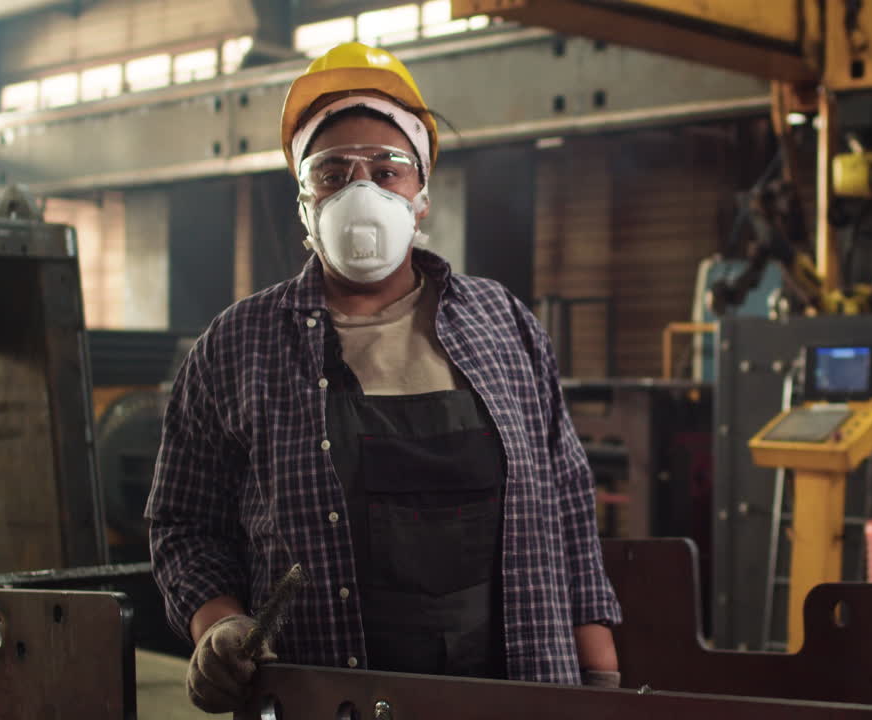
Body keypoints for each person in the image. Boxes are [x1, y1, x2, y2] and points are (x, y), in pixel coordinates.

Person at [145, 42, 621, 713]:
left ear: (420, 195)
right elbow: (183, 523)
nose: (360, 190)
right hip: (322, 695)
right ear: (304, 202)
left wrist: (600, 680)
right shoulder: (237, 346)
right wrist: (217, 623)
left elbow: (569, 502)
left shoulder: (504, 325)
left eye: (386, 170)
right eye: (332, 172)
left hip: (522, 693)